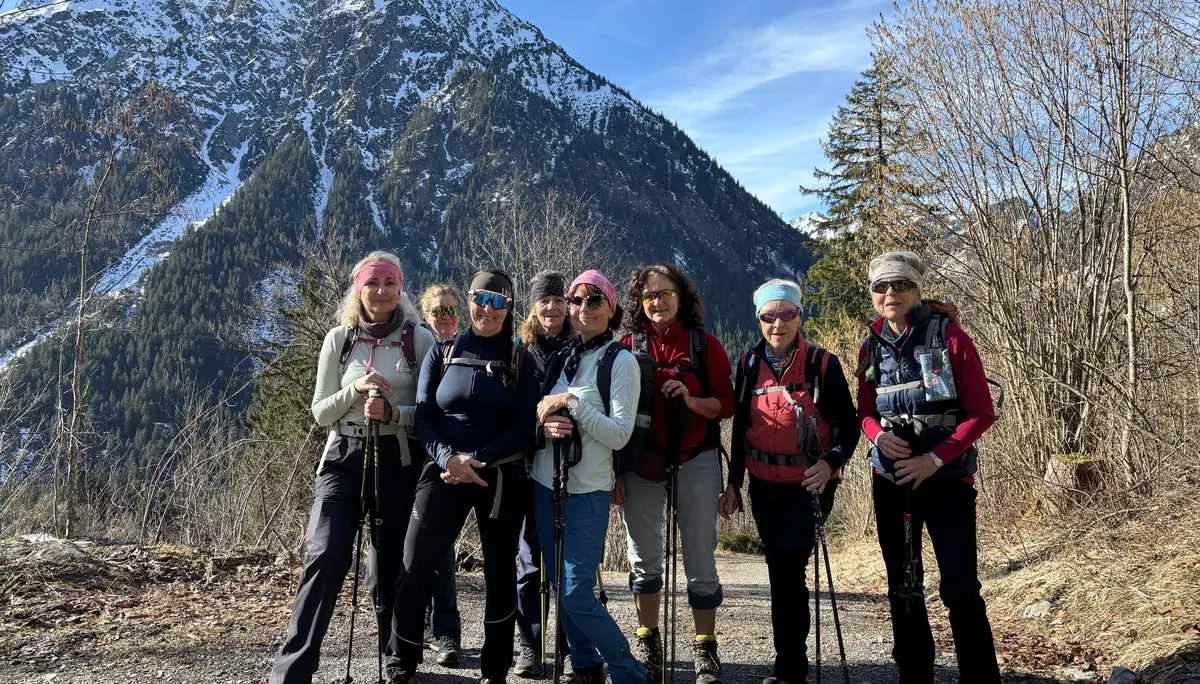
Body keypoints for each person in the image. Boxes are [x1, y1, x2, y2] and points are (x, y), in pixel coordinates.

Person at [269, 251, 436, 684]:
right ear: (357, 290)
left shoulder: (419, 340)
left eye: (389, 283)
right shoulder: (338, 340)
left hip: (397, 460)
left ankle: (397, 659)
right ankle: (291, 672)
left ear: (401, 289)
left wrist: (393, 414)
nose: (381, 292)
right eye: (372, 283)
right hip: (342, 458)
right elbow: (321, 412)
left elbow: (433, 414)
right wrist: (356, 391)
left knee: (389, 568)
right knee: (324, 556)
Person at [387, 269, 539, 684]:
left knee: (500, 573)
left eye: (497, 301)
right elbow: (424, 417)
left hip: (499, 477)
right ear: (470, 299)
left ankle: (495, 669)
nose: (487, 309)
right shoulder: (444, 350)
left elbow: (526, 428)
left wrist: (477, 459)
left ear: (509, 307)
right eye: (480, 298)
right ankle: (401, 659)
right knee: (415, 562)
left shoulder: (521, 359)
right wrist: (448, 459)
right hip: (443, 470)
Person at [856, 251, 1001, 684]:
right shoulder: (871, 345)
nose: (890, 293)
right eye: (881, 286)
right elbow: (864, 411)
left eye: (900, 285)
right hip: (891, 478)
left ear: (917, 289)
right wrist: (878, 437)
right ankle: (915, 674)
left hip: (947, 479)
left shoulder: (950, 337)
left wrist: (934, 459)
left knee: (959, 587)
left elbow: (981, 412)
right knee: (904, 584)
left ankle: (980, 677)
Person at [721, 279, 860, 684]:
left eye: (786, 314)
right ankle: (789, 667)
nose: (777, 323)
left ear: (799, 316)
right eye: (769, 315)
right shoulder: (749, 364)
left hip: (809, 484)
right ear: (759, 319)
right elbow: (740, 428)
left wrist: (832, 463)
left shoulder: (822, 364)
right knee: (780, 568)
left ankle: (790, 670)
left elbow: (849, 427)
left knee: (787, 563)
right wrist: (734, 484)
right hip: (764, 482)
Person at [618, 263, 734, 684]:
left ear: (681, 297)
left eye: (665, 293)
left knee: (701, 560)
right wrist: (616, 472)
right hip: (642, 462)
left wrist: (690, 399)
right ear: (639, 302)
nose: (658, 302)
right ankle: (648, 641)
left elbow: (726, 404)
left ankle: (706, 649)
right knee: (644, 560)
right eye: (649, 296)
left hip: (696, 458)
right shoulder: (628, 345)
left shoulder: (705, 345)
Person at [531, 270, 647, 684]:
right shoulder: (564, 355)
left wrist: (572, 403)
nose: (582, 308)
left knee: (577, 592)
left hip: (588, 491)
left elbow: (619, 434)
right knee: (561, 589)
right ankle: (584, 663)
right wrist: (546, 421)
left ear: (611, 308)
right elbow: (540, 409)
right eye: (576, 300)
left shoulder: (622, 361)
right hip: (544, 485)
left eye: (593, 300)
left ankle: (628, 670)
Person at [513, 270, 574, 677]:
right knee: (530, 561)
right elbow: (511, 413)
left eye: (558, 299)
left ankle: (571, 649)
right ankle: (529, 645)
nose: (551, 307)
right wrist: (540, 427)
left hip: (574, 468)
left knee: (569, 563)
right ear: (533, 306)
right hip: (529, 468)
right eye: (544, 300)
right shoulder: (519, 353)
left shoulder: (579, 347)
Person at [417, 283, 465, 667]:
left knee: (441, 547)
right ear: (426, 316)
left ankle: (446, 631)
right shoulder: (417, 348)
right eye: (438, 311)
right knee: (403, 549)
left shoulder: (466, 350)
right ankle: (411, 628)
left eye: (451, 310)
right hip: (404, 457)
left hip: (442, 460)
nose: (445, 317)